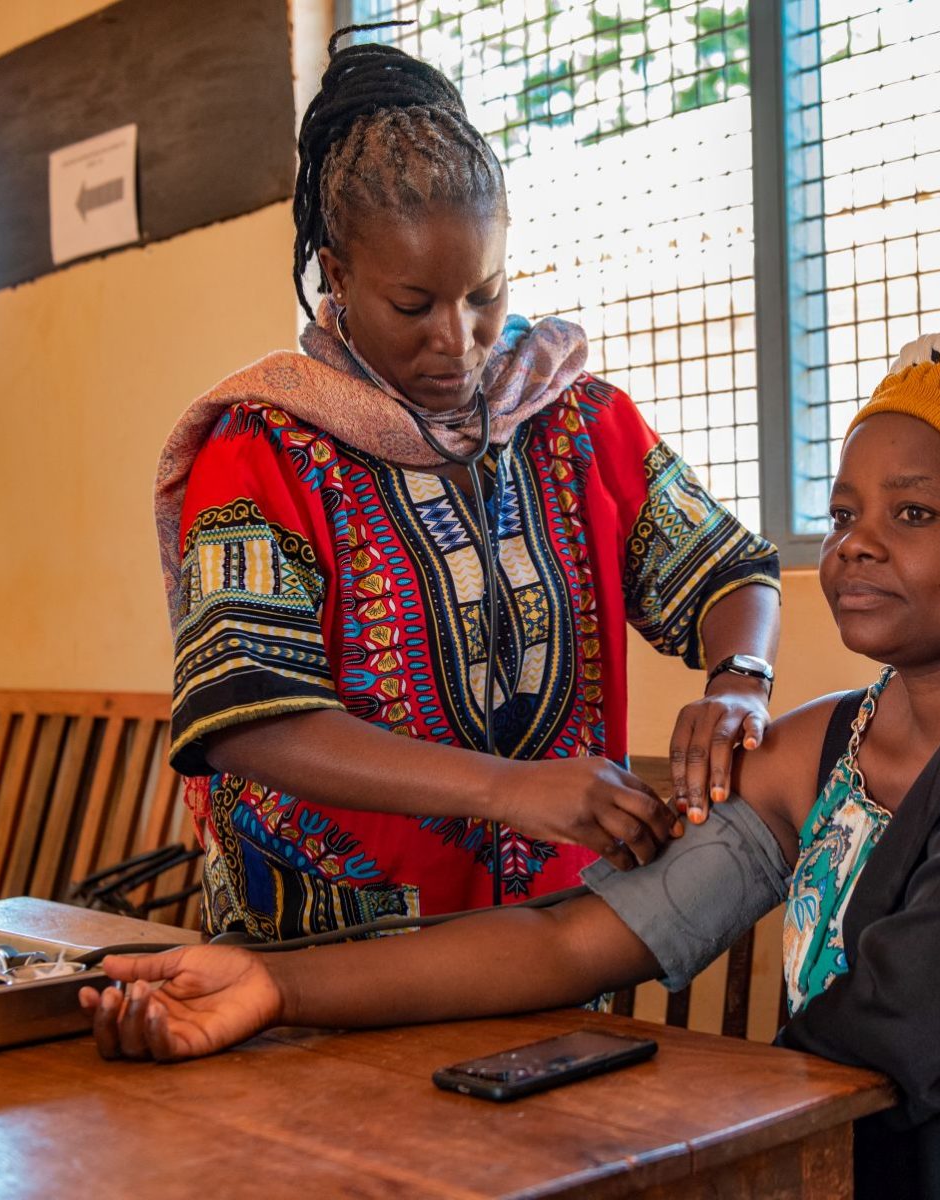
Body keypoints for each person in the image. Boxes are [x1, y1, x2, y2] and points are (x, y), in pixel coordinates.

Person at [107, 328, 940, 1198]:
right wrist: (277, 986)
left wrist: (692, 1138)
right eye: (848, 513)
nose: (858, 545)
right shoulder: (821, 752)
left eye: (913, 514)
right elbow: (568, 942)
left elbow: (909, 1010)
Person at [152, 28, 781, 940]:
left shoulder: (573, 420)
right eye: (413, 305)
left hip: (554, 947)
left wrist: (740, 679)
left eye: (484, 294)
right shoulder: (265, 447)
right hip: (319, 957)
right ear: (337, 274)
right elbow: (246, 717)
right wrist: (506, 789)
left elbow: (727, 574)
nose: (458, 338)